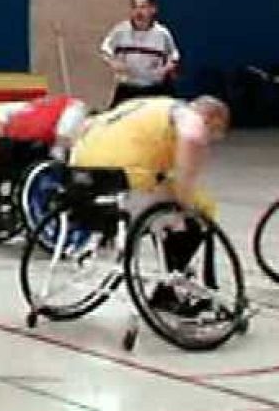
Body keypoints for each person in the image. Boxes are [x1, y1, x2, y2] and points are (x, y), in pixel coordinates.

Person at [69, 95, 231, 314]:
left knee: (167, 196)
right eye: (214, 131)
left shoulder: (147, 105)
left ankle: (170, 273)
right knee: (198, 210)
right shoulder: (189, 116)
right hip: (127, 177)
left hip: (84, 175)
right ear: (211, 118)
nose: (210, 140)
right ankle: (169, 288)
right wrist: (186, 201)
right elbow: (192, 136)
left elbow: (85, 126)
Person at [100, 0, 180, 107]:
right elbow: (105, 50)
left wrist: (165, 69)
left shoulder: (162, 33)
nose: (138, 12)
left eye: (143, 7)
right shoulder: (120, 30)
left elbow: (173, 57)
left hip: (152, 88)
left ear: (153, 10)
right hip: (127, 87)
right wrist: (113, 62)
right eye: (135, 7)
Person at [0, 93, 89, 156]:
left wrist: (1, 137)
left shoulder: (25, 107)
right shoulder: (75, 106)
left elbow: (1, 109)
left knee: (63, 141)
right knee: (65, 143)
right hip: (55, 121)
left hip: (53, 121)